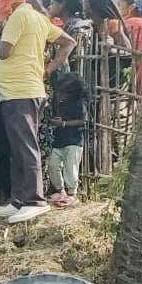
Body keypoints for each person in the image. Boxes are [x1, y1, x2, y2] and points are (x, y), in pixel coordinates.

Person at [0, 0, 77, 223]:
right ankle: (19, 200)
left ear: (8, 0)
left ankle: (35, 201)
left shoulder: (19, 16)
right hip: (21, 91)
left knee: (26, 147)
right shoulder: (36, 17)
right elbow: (68, 41)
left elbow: (4, 51)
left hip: (21, 92)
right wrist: (48, 68)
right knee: (19, 147)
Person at [44, 71, 86, 207]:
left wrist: (63, 124)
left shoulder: (79, 103)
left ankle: (72, 194)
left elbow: (83, 121)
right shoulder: (57, 102)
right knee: (52, 164)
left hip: (74, 140)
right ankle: (60, 191)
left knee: (71, 168)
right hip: (59, 139)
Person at [118, 0, 142, 91]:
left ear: (131, 8)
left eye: (119, 5)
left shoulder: (127, 24)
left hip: (134, 73)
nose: (116, 9)